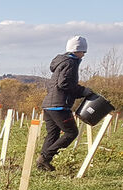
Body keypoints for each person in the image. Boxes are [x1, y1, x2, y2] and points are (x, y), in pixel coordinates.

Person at [37, 36, 93, 172]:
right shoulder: (70, 63)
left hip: (49, 104)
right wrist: (83, 91)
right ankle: (45, 157)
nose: (83, 55)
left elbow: (58, 84)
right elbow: (65, 84)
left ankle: (42, 165)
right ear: (76, 50)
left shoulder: (61, 62)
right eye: (82, 52)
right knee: (71, 132)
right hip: (59, 105)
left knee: (53, 134)